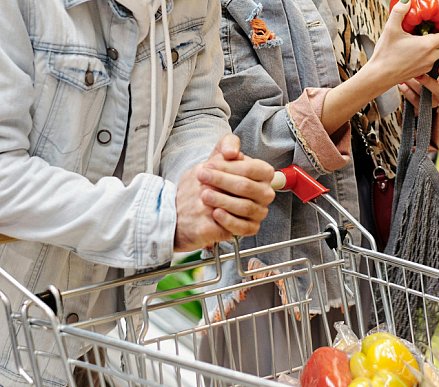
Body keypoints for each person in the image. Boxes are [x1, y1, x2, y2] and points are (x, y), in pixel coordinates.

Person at [0, 0, 276, 385]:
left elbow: (196, 111)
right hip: (12, 323)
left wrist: (208, 179)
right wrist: (164, 216)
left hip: (101, 328)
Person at [197, 0, 439, 377]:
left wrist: (412, 89)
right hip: (282, 268)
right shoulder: (224, 7)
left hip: (367, 247)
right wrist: (382, 74)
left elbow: (370, 111)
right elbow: (241, 151)